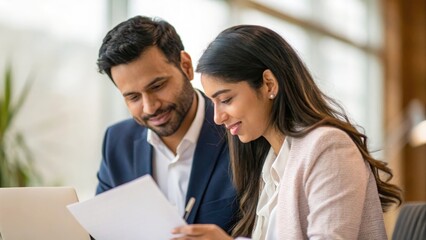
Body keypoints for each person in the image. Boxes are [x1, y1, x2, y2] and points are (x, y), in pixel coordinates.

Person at [172, 25, 402, 239]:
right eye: (214, 102)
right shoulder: (270, 165)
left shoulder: (329, 147)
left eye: (226, 99)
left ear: (269, 84)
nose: (217, 117)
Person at [94, 16, 239, 233]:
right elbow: (101, 231)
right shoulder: (117, 142)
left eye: (158, 86)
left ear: (186, 67)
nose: (150, 107)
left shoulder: (239, 129)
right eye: (133, 97)